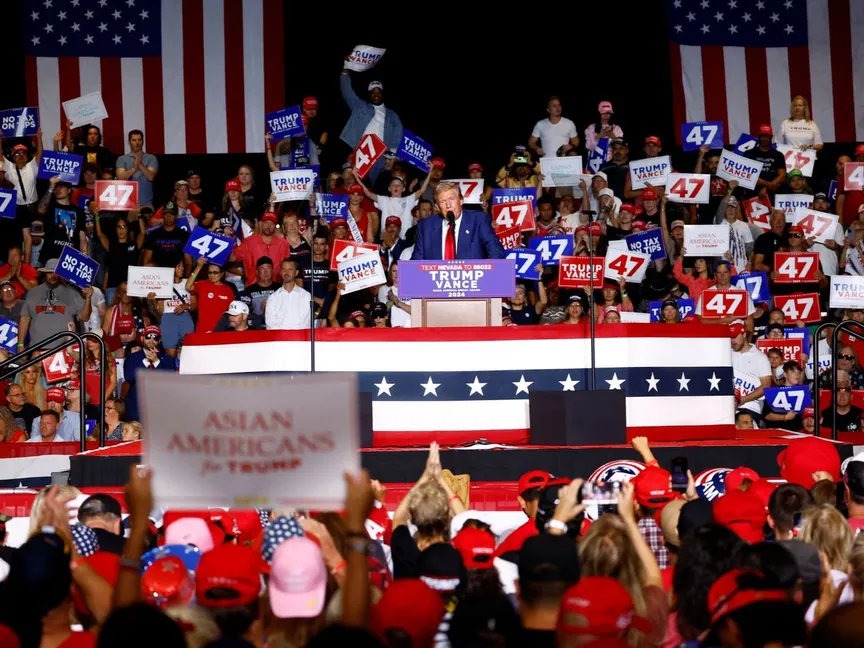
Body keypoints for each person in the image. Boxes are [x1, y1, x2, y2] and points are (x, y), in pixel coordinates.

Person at [339, 67, 403, 182]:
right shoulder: (360, 107)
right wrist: (345, 73)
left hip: (382, 157)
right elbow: (347, 93)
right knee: (357, 186)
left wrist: (394, 157)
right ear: (369, 94)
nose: (376, 95)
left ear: (382, 94)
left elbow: (398, 138)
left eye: (378, 92)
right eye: (373, 92)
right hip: (361, 154)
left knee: (380, 185)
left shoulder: (392, 115)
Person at [411, 182, 506, 260]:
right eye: (443, 202)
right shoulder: (425, 227)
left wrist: (493, 271)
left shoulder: (479, 219)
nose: (448, 205)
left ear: (461, 200)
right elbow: (415, 263)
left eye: (452, 199)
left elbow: (495, 249)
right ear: (437, 207)